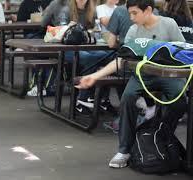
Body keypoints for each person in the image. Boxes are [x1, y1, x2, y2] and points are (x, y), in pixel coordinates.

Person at [75, 0, 186, 168]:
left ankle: (161, 134)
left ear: (148, 10)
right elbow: (121, 59)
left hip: (169, 76)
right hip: (142, 76)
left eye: (135, 13)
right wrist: (95, 76)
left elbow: (182, 51)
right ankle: (124, 150)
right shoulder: (133, 31)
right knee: (128, 97)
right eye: (130, 13)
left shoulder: (169, 24)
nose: (131, 18)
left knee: (179, 100)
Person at [42, 0, 115, 114]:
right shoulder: (66, 10)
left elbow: (95, 30)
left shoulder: (92, 11)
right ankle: (82, 99)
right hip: (65, 48)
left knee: (107, 56)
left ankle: (101, 98)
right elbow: (63, 32)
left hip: (85, 46)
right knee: (89, 58)